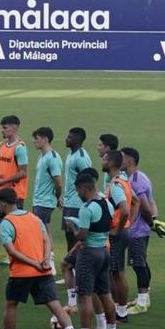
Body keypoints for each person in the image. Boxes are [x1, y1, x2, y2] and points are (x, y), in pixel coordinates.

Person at [0, 187, 82, 329]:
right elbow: (46, 240)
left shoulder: (6, 223)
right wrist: (46, 260)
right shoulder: (34, 217)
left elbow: (12, 251)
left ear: (2, 204)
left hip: (21, 273)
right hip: (43, 271)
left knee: (11, 305)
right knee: (54, 304)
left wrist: (33, 263)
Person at [64, 169, 119, 329]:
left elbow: (83, 236)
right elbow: (108, 227)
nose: (78, 194)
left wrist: (73, 228)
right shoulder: (107, 204)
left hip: (89, 254)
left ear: (83, 188)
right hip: (104, 251)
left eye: (78, 191)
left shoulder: (86, 209)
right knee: (105, 294)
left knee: (85, 296)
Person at [122, 147, 160, 315]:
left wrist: (151, 223)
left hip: (137, 230)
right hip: (142, 229)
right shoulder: (140, 176)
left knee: (138, 265)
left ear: (129, 161)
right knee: (142, 262)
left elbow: (145, 206)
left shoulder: (135, 181)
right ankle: (144, 298)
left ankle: (142, 302)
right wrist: (155, 220)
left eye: (122, 158)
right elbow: (152, 203)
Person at [0, 116, 28, 266]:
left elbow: (23, 172)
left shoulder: (20, 148)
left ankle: (11, 255)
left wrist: (4, 180)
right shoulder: (1, 145)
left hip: (14, 193)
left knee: (14, 224)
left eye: (5, 128)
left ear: (14, 128)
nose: (2, 130)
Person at [103, 149, 137, 324]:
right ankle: (119, 310)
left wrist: (120, 227)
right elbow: (135, 202)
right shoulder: (122, 181)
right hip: (122, 231)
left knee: (117, 273)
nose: (102, 161)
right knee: (116, 272)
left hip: (118, 233)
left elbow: (124, 209)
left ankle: (121, 313)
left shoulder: (116, 185)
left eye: (104, 159)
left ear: (111, 163)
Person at [60, 127, 92, 310]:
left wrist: (84, 202)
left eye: (70, 137)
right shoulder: (71, 153)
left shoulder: (81, 157)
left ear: (78, 140)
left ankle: (78, 277)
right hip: (69, 202)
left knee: (75, 240)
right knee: (69, 239)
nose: (66, 138)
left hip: (76, 205)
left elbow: (88, 179)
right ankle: (71, 271)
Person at [29, 127, 64, 229]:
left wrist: (57, 197)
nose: (34, 141)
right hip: (40, 201)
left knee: (37, 231)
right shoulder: (42, 156)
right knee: (45, 230)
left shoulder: (52, 158)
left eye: (37, 138)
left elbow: (58, 183)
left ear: (45, 139)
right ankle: (50, 246)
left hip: (45, 203)